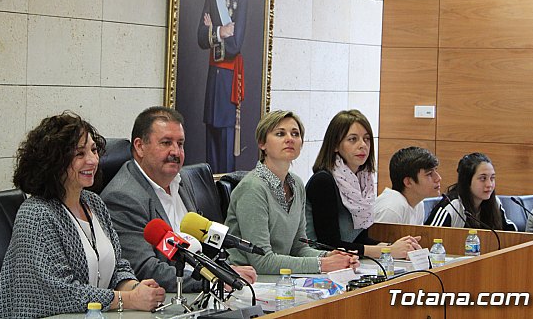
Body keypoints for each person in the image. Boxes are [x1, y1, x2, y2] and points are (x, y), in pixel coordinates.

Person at [0, 112, 165, 318]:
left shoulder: (94, 203)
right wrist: (128, 299)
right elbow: (58, 292)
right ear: (54, 161)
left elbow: (117, 265)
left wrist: (134, 287)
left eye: (93, 150)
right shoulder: (36, 214)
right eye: (79, 154)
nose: (92, 160)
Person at [100, 106, 256, 293]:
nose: (176, 152)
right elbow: (145, 269)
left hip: (203, 292)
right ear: (140, 146)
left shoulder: (181, 181)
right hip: (167, 298)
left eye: (180, 144)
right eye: (166, 143)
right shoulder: (123, 197)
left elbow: (204, 242)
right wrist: (215, 279)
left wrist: (226, 270)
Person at [224, 110, 360, 274]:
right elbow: (261, 261)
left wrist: (331, 256)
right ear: (262, 143)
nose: (290, 139)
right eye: (280, 134)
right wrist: (322, 264)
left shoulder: (296, 183)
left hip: (282, 280)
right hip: (246, 282)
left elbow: (299, 248)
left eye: (295, 134)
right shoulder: (252, 188)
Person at [306, 110, 422, 259]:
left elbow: (358, 240)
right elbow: (330, 244)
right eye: (353, 139)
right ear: (335, 145)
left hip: (348, 261)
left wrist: (395, 247)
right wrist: (387, 251)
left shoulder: (363, 181)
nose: (362, 145)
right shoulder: (323, 181)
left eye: (366, 139)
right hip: (319, 262)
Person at [197, 0, 248, 174]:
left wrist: (213, 31)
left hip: (228, 79)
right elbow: (199, 36)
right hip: (212, 79)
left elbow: (236, 44)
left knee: (226, 157)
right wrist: (220, 31)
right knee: (210, 150)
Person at [426, 152, 517, 230]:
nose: (489, 184)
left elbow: (510, 233)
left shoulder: (494, 202)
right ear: (467, 180)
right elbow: (431, 237)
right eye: (483, 178)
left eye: (492, 178)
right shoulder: (453, 206)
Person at [374, 146, 441, 225]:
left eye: (435, 171)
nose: (438, 178)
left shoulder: (418, 204)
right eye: (429, 174)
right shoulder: (391, 209)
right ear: (408, 182)